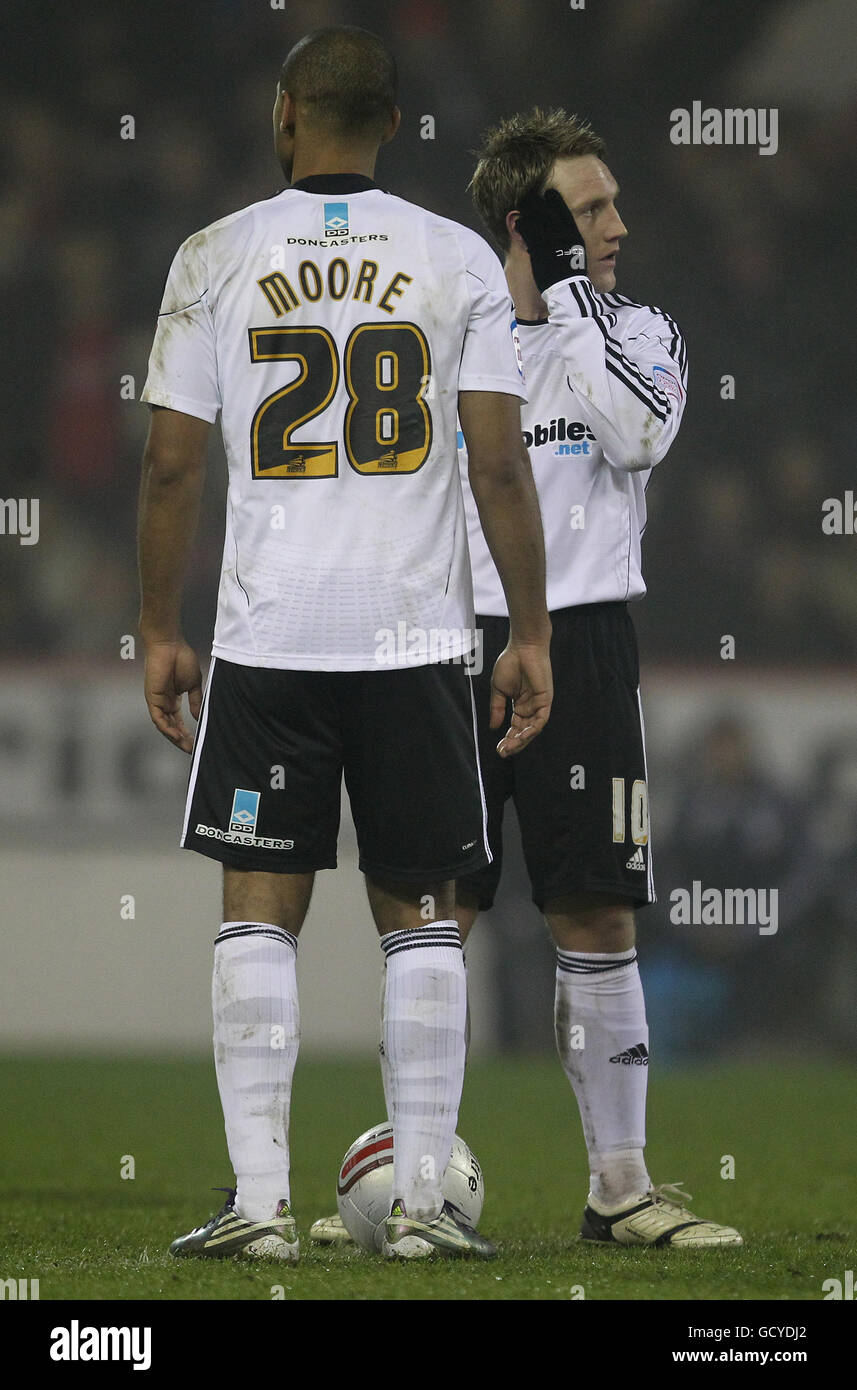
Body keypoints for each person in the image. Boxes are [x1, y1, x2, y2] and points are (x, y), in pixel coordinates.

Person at [137, 28, 552, 1263]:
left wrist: (161, 628)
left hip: (271, 640)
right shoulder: (456, 256)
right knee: (421, 917)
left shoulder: (213, 256)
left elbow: (167, 464)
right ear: (389, 123)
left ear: (283, 117)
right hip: (416, 636)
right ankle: (423, 1205)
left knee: (258, 912)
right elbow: (494, 463)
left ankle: (259, 1204)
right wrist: (525, 628)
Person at [313, 107, 740, 1250]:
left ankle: (619, 1186)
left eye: (608, 204)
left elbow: (637, 438)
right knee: (431, 914)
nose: (617, 224)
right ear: (526, 218)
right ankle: (416, 1188)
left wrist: (564, 309)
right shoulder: (437, 330)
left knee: (594, 909)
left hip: (583, 642)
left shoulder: (639, 331)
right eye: (588, 208)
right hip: (441, 645)